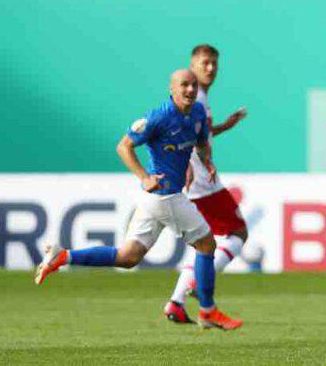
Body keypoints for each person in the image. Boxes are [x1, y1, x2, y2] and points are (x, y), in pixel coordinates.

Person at [34, 69, 243, 331]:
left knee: (128, 256)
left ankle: (63, 256)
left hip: (156, 200)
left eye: (192, 85)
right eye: (183, 85)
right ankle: (208, 311)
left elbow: (199, 143)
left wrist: (206, 162)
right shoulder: (159, 117)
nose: (189, 90)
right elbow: (124, 146)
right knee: (207, 245)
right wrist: (144, 177)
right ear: (172, 89)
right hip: (165, 195)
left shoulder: (198, 113)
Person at [164, 45, 249, 324]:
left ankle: (176, 302)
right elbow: (178, 129)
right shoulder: (194, 97)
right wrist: (186, 163)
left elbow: (200, 132)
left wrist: (223, 126)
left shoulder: (200, 97)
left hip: (200, 181)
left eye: (214, 63)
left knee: (205, 244)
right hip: (202, 184)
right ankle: (198, 286)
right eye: (205, 63)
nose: (210, 68)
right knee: (237, 232)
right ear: (192, 64)